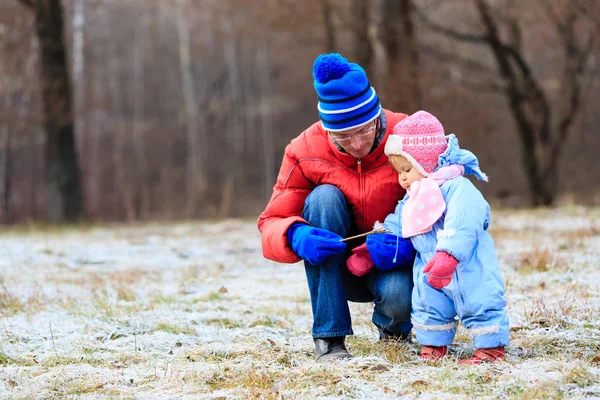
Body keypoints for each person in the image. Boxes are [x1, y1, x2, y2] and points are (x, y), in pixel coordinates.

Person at [257, 53, 417, 361]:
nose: (356, 144)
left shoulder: (408, 134)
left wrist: (407, 247)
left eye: (364, 131)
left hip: (391, 262)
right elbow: (272, 220)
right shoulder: (303, 150)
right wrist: (294, 234)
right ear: (326, 129)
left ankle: (395, 332)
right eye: (343, 136)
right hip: (336, 268)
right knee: (323, 197)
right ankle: (329, 340)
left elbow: (443, 202)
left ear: (377, 117)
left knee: (397, 295)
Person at [369, 110, 509, 364]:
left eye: (407, 168)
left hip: (467, 266)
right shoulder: (413, 198)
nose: (402, 177)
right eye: (398, 171)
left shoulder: (458, 188)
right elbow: (398, 222)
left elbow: (465, 221)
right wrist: (380, 239)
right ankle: (433, 345)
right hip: (429, 268)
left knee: (479, 302)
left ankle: (491, 348)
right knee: (429, 305)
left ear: (426, 162)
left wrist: (450, 253)